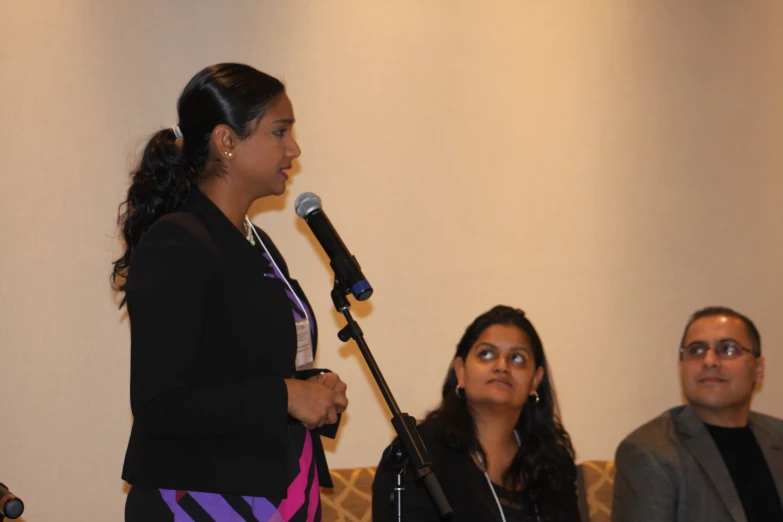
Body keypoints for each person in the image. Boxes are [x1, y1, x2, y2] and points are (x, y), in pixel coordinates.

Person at [112, 63, 348, 522]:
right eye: (280, 132)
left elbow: (243, 367)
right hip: (204, 498)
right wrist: (285, 396)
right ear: (226, 141)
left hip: (278, 488)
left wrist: (312, 390)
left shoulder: (257, 244)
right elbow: (160, 405)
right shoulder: (176, 241)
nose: (294, 149)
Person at [372, 305, 579, 522]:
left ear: (535, 381)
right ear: (460, 371)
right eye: (486, 354)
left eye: (517, 358)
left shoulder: (553, 462)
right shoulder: (419, 454)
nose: (502, 366)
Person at [612, 306, 783, 522]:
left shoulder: (778, 436)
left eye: (728, 349)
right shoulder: (649, 451)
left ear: (759, 369)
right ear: (682, 367)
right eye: (696, 350)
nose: (709, 361)